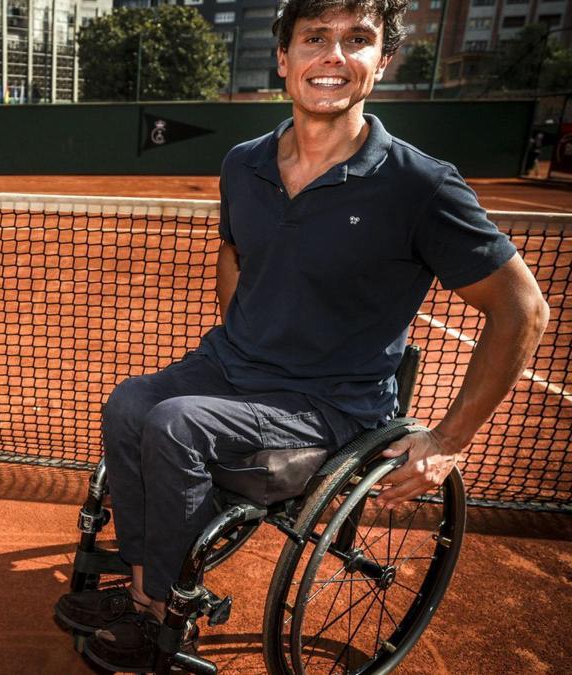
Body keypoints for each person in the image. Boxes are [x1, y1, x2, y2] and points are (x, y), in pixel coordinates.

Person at [54, 0, 549, 670]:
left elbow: (524, 310)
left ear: (382, 62)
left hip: (329, 408)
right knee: (128, 404)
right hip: (232, 367)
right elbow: (235, 251)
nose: (334, 57)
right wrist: (246, 332)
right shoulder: (243, 164)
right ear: (283, 59)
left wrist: (448, 440)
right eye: (315, 38)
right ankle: (148, 585)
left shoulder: (421, 186)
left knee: (176, 425)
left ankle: (172, 608)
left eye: (357, 40)